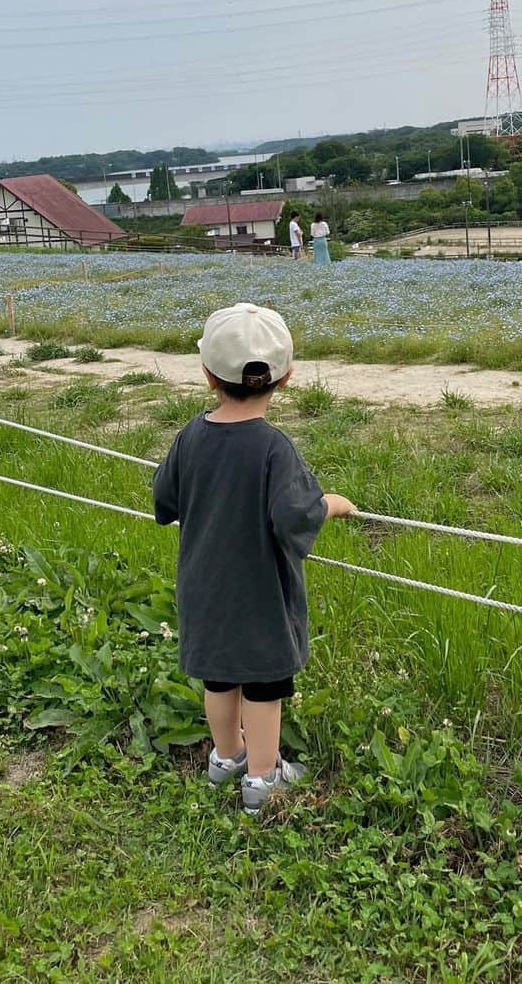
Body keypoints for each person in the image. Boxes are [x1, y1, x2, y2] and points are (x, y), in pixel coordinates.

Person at [152, 303, 355, 812]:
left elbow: (164, 500)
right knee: (265, 684)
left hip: (204, 586)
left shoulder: (190, 437)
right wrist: (330, 504)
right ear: (285, 377)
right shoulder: (274, 448)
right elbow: (293, 516)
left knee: (218, 676)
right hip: (259, 593)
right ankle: (263, 780)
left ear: (206, 374)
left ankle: (226, 759)